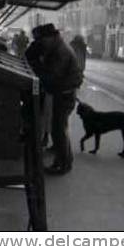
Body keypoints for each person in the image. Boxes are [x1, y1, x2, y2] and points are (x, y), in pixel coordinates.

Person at [25, 24, 83, 175]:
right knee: (59, 130)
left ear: (50, 37)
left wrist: (36, 67)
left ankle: (63, 165)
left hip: (64, 94)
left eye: (42, 40)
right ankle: (62, 162)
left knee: (58, 130)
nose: (41, 43)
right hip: (63, 93)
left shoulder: (60, 52)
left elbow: (53, 77)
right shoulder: (56, 47)